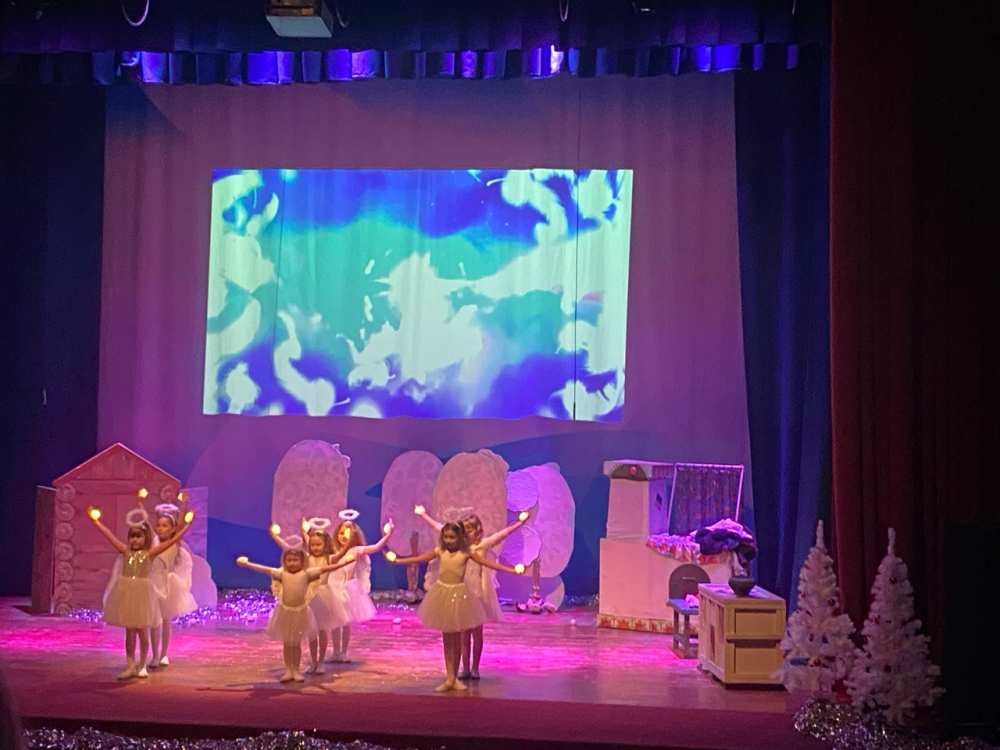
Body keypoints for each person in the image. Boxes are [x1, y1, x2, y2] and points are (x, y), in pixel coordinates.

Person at [384, 522, 526, 692]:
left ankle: (455, 677)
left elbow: (488, 564)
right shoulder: (440, 551)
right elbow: (419, 558)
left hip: (459, 596)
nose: (448, 540)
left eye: (452, 537)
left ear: (459, 538)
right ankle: (450, 677)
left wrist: (512, 570)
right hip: (442, 594)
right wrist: (398, 560)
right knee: (446, 639)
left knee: (457, 639)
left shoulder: (466, 553)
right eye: (446, 537)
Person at [416, 505, 529, 679]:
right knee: (463, 633)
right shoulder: (459, 548)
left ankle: (475, 667)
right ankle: (465, 668)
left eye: (469, 530)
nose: (467, 534)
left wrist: (519, 523)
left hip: (478, 594)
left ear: (477, 532)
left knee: (476, 633)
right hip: (462, 593)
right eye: (465, 530)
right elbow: (439, 527)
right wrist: (424, 515)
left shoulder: (482, 546)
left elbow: (502, 534)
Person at [88, 505, 193, 679]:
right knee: (129, 632)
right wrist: (97, 522)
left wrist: (187, 526)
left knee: (143, 631)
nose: (135, 540)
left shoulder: (150, 553)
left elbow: (173, 540)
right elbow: (110, 536)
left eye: (139, 537)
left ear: (145, 539)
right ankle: (130, 665)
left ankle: (143, 664)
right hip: (127, 593)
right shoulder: (125, 551)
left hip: (143, 595)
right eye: (132, 537)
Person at [236, 548, 354, 682]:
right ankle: (288, 670)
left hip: (300, 613)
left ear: (302, 562)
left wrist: (344, 563)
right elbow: (264, 569)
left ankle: (296, 670)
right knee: (287, 644)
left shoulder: (307, 574)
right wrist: (247, 564)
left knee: (296, 644)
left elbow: (326, 569)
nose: (292, 563)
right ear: (284, 562)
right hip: (285, 613)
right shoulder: (281, 573)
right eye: (289, 560)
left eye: (295, 560)